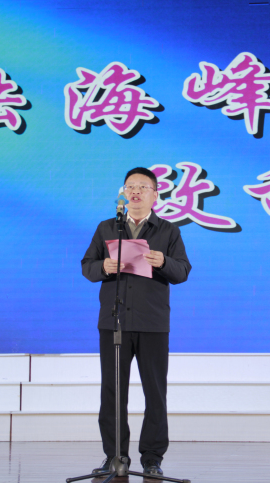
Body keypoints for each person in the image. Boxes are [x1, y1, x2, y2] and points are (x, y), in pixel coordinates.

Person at [81, 167, 192, 477]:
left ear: (155, 195)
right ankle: (115, 456)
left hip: (152, 322)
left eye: (143, 186)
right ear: (123, 193)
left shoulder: (168, 231)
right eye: (130, 186)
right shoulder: (107, 228)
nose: (136, 191)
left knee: (154, 392)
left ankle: (152, 459)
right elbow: (87, 267)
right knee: (112, 392)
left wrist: (163, 262)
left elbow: (183, 271)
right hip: (113, 321)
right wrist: (104, 266)